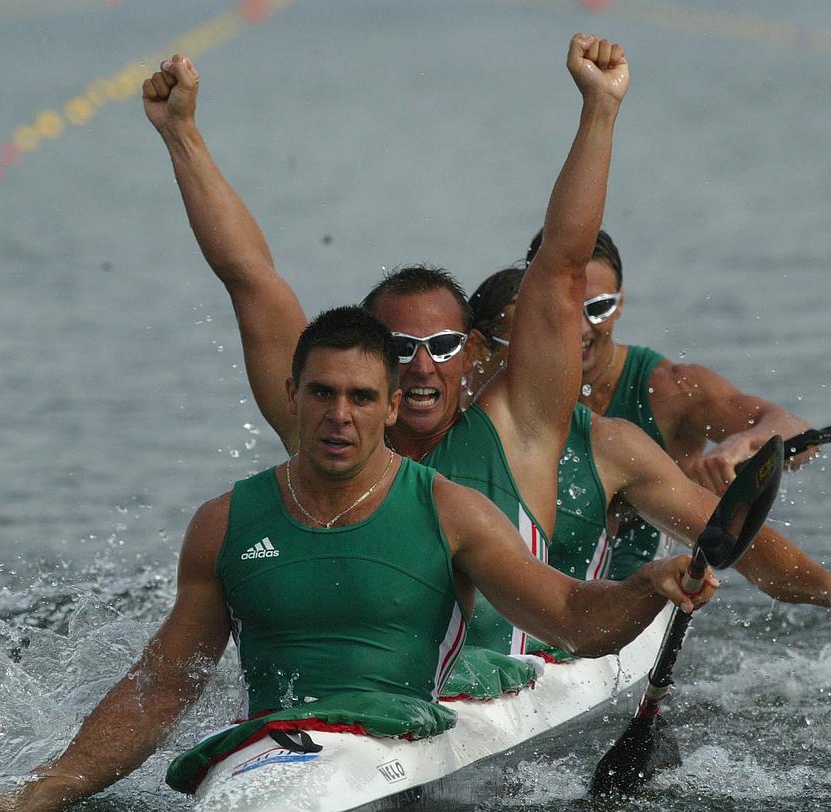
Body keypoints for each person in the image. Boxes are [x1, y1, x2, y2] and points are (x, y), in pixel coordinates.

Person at [0, 308, 717, 812]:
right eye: (322, 393)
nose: (340, 415)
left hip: (402, 754)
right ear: (293, 397)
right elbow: (164, 684)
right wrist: (47, 792)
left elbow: (574, 623)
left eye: (361, 397)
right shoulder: (224, 523)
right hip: (269, 755)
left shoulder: (453, 513)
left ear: (390, 408)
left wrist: (646, 587)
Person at [144, 36, 628, 655]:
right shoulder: (332, 426)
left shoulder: (520, 433)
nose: (422, 366)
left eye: (443, 345)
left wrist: (599, 110)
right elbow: (251, 280)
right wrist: (181, 133)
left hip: (503, 696)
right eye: (401, 348)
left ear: (474, 353)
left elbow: (561, 267)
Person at [465, 267, 831, 657]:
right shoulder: (441, 420)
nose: (573, 339)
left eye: (595, 309)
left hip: (595, 607)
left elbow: (745, 527)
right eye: (539, 339)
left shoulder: (643, 414)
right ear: (475, 351)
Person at [522, 228, 819, 579]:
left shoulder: (670, 391)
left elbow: (801, 437)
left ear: (621, 304)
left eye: (599, 308)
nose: (582, 328)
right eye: (568, 308)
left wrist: (745, 443)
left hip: (640, 584)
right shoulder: (503, 384)